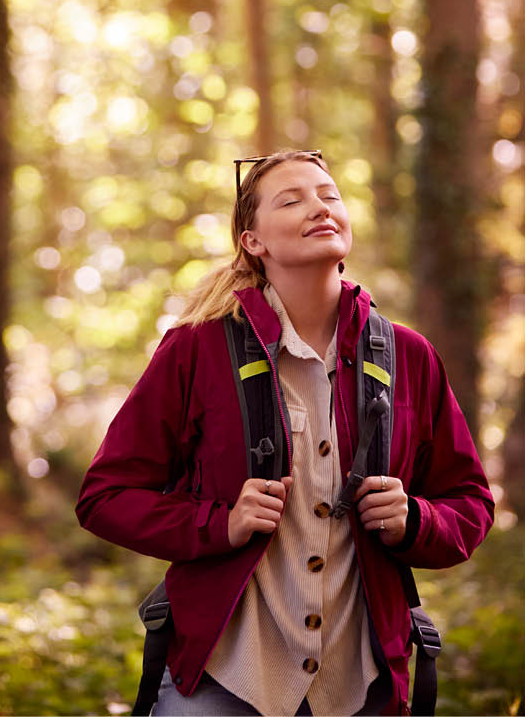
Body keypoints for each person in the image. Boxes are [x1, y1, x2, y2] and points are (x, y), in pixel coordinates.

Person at [76, 149, 494, 716]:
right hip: (225, 679)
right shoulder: (196, 349)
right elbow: (106, 496)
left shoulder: (409, 356)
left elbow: (469, 503)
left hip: (364, 686)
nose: (319, 207)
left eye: (329, 195)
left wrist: (414, 519)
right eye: (292, 199)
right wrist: (217, 524)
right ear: (253, 241)